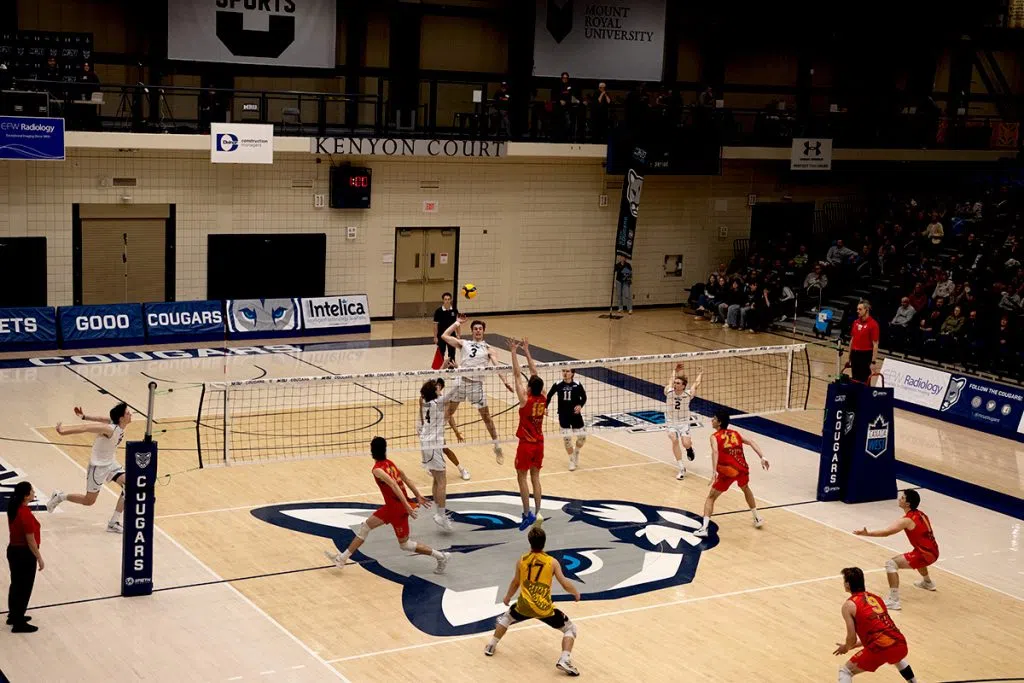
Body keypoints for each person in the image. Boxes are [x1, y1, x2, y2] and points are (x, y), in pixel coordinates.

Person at [324, 437, 449, 574]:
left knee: (403, 544)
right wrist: (417, 495)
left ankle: (441, 557)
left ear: (372, 451)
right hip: (393, 507)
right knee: (368, 528)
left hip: (396, 509)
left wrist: (407, 505)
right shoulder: (391, 464)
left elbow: (394, 484)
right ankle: (342, 559)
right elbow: (406, 479)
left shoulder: (377, 470)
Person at [484, 523, 581, 676]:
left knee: (507, 617)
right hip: (544, 608)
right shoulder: (552, 562)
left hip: (524, 605)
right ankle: (565, 659)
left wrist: (508, 596)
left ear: (530, 543)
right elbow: (564, 583)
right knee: (570, 629)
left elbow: (516, 582)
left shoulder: (522, 560)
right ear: (544, 542)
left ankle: (491, 645)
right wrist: (575, 592)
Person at [47, 402, 132, 533]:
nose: (130, 414)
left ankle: (113, 523)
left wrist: (84, 416)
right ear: (121, 418)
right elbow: (85, 428)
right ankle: (60, 496)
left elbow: (101, 418)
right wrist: (63, 432)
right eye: (127, 413)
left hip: (111, 463)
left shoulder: (117, 424)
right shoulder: (110, 429)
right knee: (89, 501)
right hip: (98, 467)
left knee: (130, 485)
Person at [853, 489, 938, 611]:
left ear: (907, 504)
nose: (899, 499)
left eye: (902, 498)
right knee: (915, 555)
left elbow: (886, 533)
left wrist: (867, 533)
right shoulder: (921, 514)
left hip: (925, 554)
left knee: (891, 564)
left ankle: (894, 600)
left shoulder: (907, 520)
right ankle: (928, 583)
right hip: (933, 551)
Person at [441, 316, 508, 463]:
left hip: (476, 386)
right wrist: (457, 323)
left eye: (480, 329)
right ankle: (436, 440)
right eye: (475, 329)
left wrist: (504, 381)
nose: (478, 331)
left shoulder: (489, 349)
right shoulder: (464, 343)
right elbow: (444, 336)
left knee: (486, 417)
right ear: (472, 331)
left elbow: (497, 366)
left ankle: (497, 446)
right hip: (460, 383)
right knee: (448, 412)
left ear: (483, 331)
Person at [833, 567, 918, 683]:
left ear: (847, 584)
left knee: (846, 671)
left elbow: (851, 638)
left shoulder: (848, 606)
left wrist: (846, 647)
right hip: (900, 642)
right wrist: (854, 645)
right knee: (896, 656)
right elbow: (878, 631)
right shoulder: (876, 598)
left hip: (879, 648)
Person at [695, 411, 770, 538]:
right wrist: (762, 457)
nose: (711, 420)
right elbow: (751, 441)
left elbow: (715, 451)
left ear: (719, 422)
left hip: (727, 472)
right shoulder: (735, 433)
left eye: (714, 418)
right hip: (741, 468)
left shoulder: (714, 436)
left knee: (711, 497)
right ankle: (757, 518)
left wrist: (714, 471)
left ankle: (704, 528)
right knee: (746, 488)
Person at [509, 338, 546, 530]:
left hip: (526, 444)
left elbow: (517, 374)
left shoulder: (525, 400)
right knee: (536, 477)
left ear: (530, 388)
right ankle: (538, 512)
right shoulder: (544, 397)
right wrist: (527, 351)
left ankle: (526, 514)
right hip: (539, 443)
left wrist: (514, 352)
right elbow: (534, 372)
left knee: (521, 477)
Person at [418, 379, 458, 531]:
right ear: (434, 391)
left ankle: (438, 512)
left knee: (436, 478)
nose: (439, 389)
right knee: (442, 479)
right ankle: (441, 514)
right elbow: (452, 393)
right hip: (434, 444)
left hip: (426, 443)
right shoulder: (437, 403)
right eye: (436, 388)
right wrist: (459, 374)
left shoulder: (425, 402)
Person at [7, 481, 44, 633]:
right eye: (32, 491)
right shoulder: (25, 514)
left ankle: (14, 615)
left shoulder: (14, 507)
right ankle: (18, 622)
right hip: (24, 554)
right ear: (26, 495)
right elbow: (30, 540)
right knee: (24, 588)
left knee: (16, 585)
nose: (34, 493)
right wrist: (39, 558)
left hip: (13, 551)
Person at [664, 363, 702, 480]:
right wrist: (675, 371)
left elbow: (696, 384)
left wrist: (700, 374)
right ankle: (681, 468)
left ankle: (689, 449)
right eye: (675, 383)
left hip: (684, 422)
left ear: (684, 386)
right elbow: (670, 381)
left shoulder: (688, 394)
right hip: (671, 421)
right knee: (674, 440)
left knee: (685, 443)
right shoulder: (669, 391)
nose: (675, 384)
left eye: (678, 383)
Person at [546, 369, 588, 471]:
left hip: (575, 415)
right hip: (563, 415)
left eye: (568, 371)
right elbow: (549, 396)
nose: (565, 373)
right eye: (563, 371)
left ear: (573, 373)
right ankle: (572, 460)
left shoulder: (577, 384)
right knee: (567, 440)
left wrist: (580, 405)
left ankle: (576, 451)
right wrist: (545, 407)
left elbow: (584, 397)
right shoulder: (557, 384)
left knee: (582, 438)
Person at [434, 372, 471, 481]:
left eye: (437, 385)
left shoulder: (445, 400)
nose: (435, 387)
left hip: (439, 430)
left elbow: (449, 416)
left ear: (440, 387)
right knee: (430, 450)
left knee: (445, 450)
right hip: (429, 429)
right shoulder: (428, 398)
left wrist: (456, 432)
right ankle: (432, 467)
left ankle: (462, 469)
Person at [848, 301, 880, 384]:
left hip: (865, 355)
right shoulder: (855, 322)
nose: (857, 311)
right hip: (855, 354)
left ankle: (865, 396)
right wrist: (849, 357)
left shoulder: (873, 324)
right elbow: (852, 340)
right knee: (854, 378)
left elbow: (875, 344)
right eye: (857, 309)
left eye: (860, 309)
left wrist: (873, 362)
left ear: (867, 310)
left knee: (864, 380)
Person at [432, 292, 459, 367]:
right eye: (445, 299)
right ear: (443, 300)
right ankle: (439, 369)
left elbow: (457, 323)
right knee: (440, 353)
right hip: (441, 336)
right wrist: (435, 337)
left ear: (451, 300)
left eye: (448, 299)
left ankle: (451, 370)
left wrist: (458, 334)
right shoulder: (438, 311)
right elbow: (435, 325)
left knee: (452, 353)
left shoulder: (454, 310)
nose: (447, 301)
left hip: (452, 335)